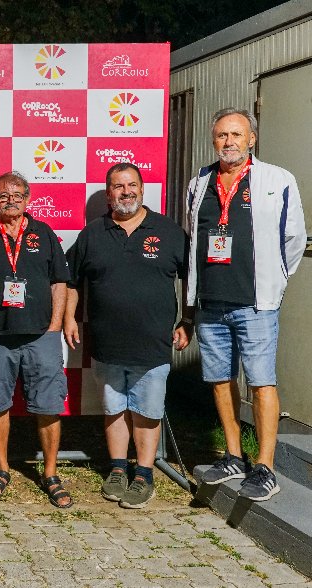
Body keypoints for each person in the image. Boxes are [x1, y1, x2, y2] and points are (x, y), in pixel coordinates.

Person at [188, 108, 306, 501]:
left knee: (260, 381)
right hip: (211, 300)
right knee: (220, 379)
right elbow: (194, 234)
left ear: (251, 139)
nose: (229, 142)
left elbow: (294, 238)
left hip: (256, 302)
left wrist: (276, 279)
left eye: (236, 134)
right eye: (222, 135)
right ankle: (234, 455)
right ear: (213, 139)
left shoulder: (277, 179)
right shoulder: (199, 182)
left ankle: (265, 466)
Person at [64, 163, 192, 509]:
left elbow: (191, 280)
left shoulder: (168, 231)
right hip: (106, 344)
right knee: (114, 409)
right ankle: (118, 469)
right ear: (109, 193)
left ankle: (144, 474)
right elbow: (72, 280)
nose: (126, 192)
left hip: (153, 344)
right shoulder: (93, 233)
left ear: (142, 188)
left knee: (147, 412)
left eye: (131, 185)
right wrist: (70, 317)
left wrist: (188, 320)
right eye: (118, 187)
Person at [0, 171, 72, 508]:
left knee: (49, 405)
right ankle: (2, 469)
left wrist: (55, 326)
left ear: (28, 198)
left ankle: (51, 473)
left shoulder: (44, 232)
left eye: (17, 195)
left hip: (42, 335)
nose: (10, 200)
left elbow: (60, 282)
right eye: (2, 196)